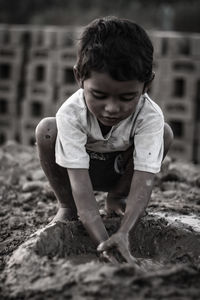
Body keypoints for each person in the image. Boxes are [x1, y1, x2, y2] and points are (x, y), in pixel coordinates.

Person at [35, 16, 173, 264]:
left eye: (127, 97)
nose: (112, 108)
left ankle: (117, 197)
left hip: (121, 171)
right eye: (99, 95)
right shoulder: (71, 113)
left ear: (147, 85)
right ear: (79, 77)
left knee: (165, 133)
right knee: (47, 130)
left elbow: (145, 181)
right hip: (80, 172)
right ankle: (67, 207)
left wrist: (124, 233)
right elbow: (82, 187)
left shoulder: (148, 116)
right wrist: (104, 242)